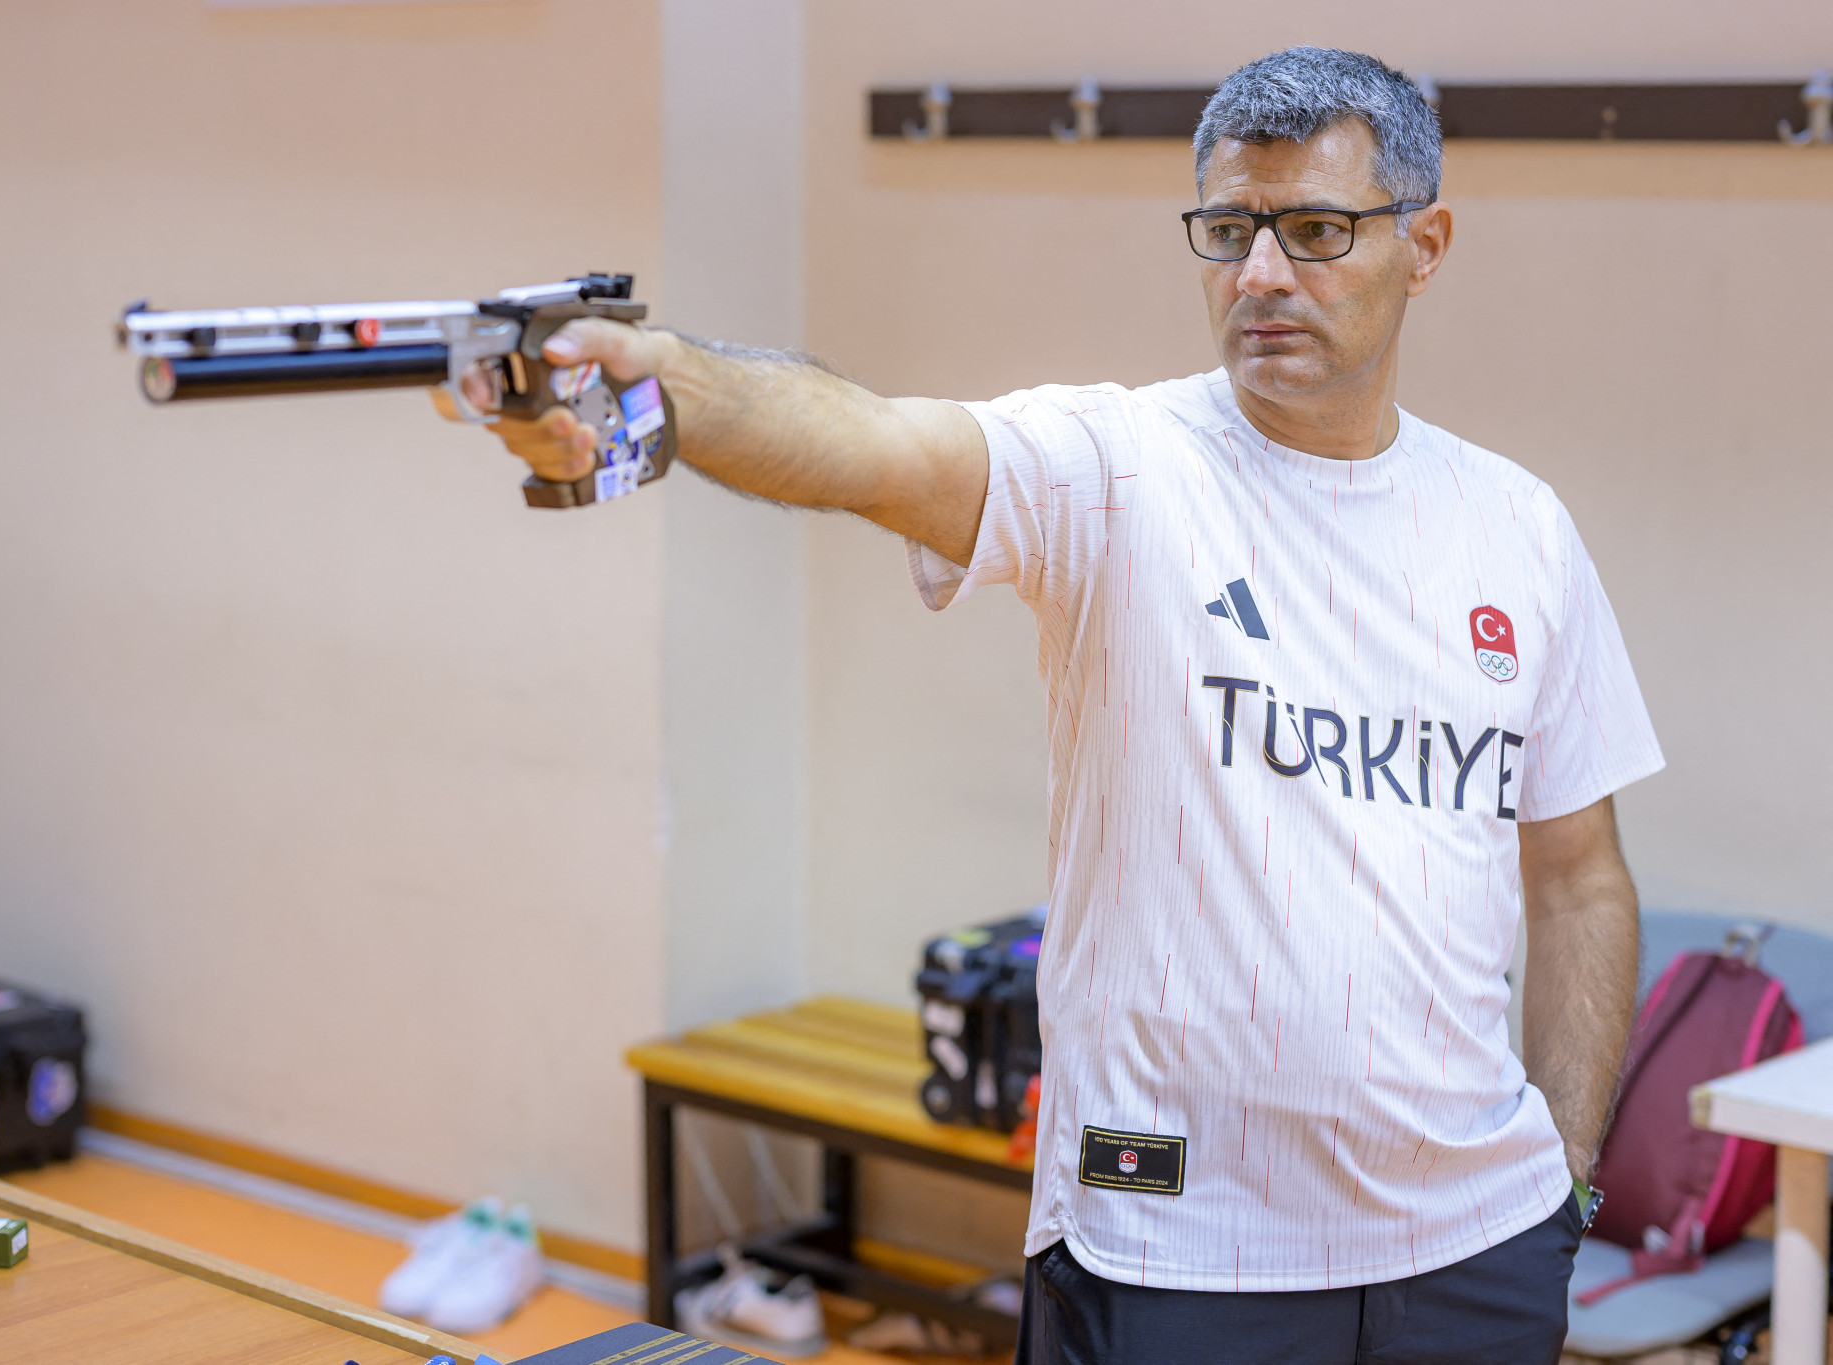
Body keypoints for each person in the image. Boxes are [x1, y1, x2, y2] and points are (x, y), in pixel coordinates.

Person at [473, 46, 1662, 1365]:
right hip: (1173, 1243)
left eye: (1317, 231)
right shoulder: (1116, 468)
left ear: (1423, 243)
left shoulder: (1520, 528)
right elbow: (875, 441)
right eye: (1230, 230)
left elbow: (1578, 879)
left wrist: (1559, 1179)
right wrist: (657, 381)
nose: (1262, 274)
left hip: (1476, 1255)